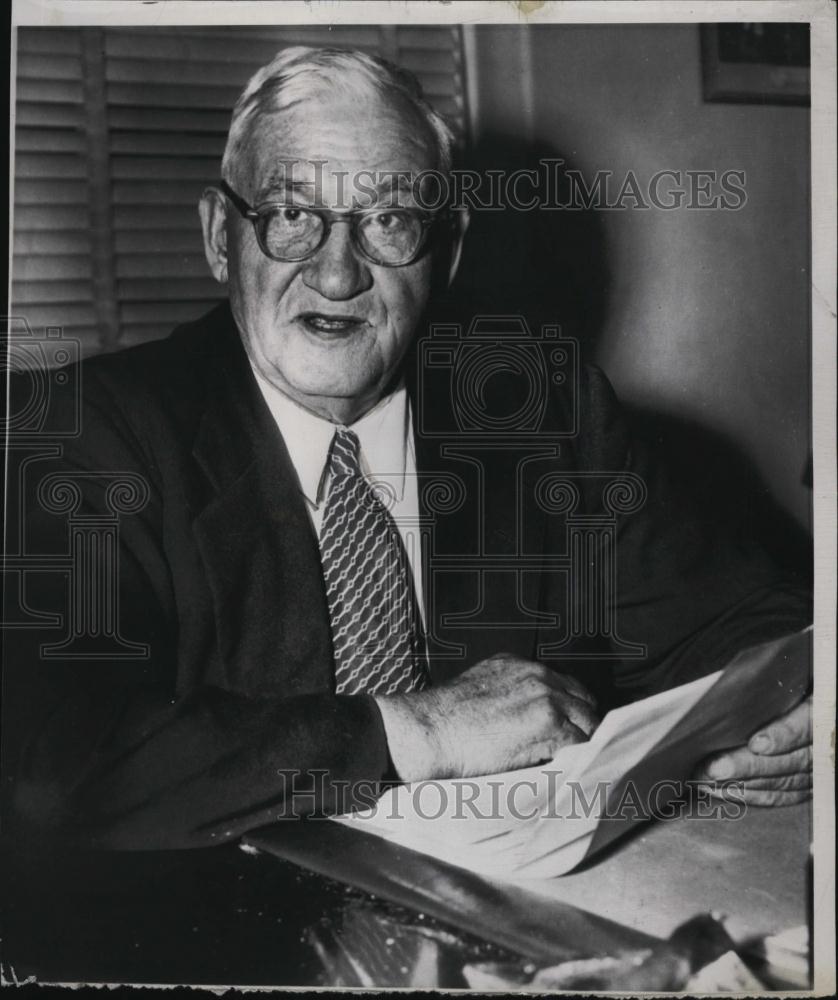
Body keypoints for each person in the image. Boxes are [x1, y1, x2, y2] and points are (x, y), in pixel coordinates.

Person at [3, 47, 812, 852]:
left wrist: (788, 718)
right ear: (222, 235)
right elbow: (46, 763)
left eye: (389, 220)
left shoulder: (545, 413)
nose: (337, 272)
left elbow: (752, 622)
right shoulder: (84, 435)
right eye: (291, 214)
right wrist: (411, 731)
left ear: (448, 249)